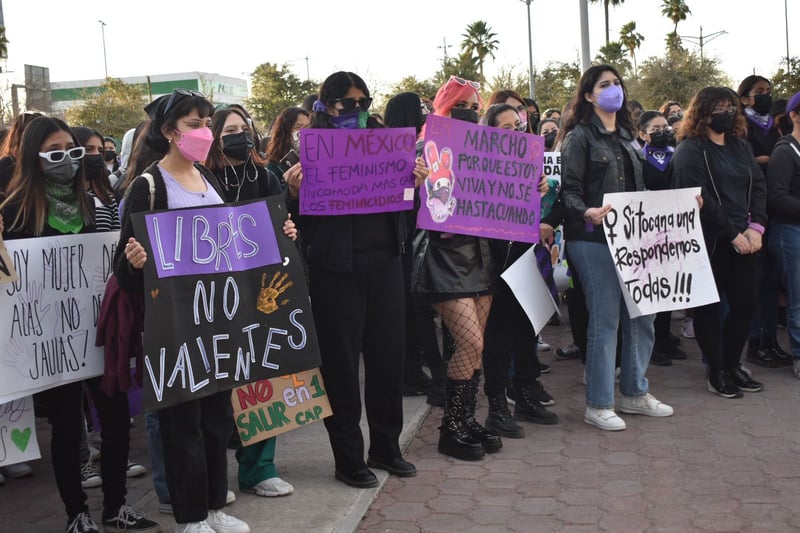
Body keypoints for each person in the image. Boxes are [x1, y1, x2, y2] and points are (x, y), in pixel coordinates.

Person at [1, 116, 159, 533]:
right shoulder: (13, 213)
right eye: (56, 153)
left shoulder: (95, 206)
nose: (68, 161)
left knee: (116, 421)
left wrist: (134, 260)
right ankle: (77, 513)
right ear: (33, 159)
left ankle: (115, 507)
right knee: (68, 428)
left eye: (74, 152)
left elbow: (114, 264)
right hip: (52, 343)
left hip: (100, 334)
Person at [114, 89, 252, 533]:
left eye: (208, 122)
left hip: (216, 321)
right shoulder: (149, 186)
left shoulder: (207, 180)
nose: (205, 132)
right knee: (181, 424)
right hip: (174, 329)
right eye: (196, 124)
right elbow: (124, 264)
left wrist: (280, 233)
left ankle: (214, 507)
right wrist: (135, 261)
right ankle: (190, 517)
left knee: (216, 419)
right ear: (171, 131)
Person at [283, 71, 425, 488]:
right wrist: (294, 194)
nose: (358, 110)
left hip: (385, 264)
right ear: (327, 106)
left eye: (364, 102)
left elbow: (402, 208)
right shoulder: (309, 152)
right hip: (334, 273)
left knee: (387, 360)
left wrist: (412, 185)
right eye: (349, 103)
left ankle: (386, 446)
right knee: (341, 369)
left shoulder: (383, 141)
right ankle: (348, 458)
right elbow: (294, 227)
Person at [560, 64, 674, 431]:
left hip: (634, 238)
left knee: (643, 315)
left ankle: (635, 392)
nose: (614, 89)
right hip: (592, 240)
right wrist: (587, 211)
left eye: (617, 83)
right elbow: (570, 192)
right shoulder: (579, 137)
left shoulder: (628, 136)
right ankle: (598, 403)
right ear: (590, 95)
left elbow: (641, 191)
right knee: (605, 320)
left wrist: (680, 207)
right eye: (604, 85)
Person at [205, 104, 294, 499]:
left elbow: (282, 226)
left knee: (262, 377)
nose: (240, 135)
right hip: (214, 296)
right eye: (230, 130)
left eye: (245, 127)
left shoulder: (265, 175)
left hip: (262, 291)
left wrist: (289, 227)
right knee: (220, 384)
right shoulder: (201, 180)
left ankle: (259, 469)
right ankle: (211, 478)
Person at [412, 75, 502, 460]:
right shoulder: (422, 147)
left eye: (475, 106)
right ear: (445, 107)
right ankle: (450, 429)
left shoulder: (488, 149)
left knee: (475, 348)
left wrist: (534, 188)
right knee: (471, 342)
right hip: (443, 257)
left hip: (480, 256)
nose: (470, 112)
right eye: (461, 105)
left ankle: (464, 420)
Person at [671, 86, 768, 398]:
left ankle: (731, 364)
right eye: (719, 108)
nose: (726, 113)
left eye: (731, 107)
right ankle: (716, 370)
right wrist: (733, 235)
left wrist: (756, 227)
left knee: (746, 304)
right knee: (710, 308)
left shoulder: (740, 146)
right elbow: (701, 198)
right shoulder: (690, 150)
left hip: (747, 239)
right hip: (710, 241)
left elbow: (759, 186)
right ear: (702, 111)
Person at [478, 103, 559, 440]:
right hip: (492, 262)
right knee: (497, 337)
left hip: (524, 254)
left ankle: (526, 391)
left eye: (519, 126)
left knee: (526, 328)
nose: (515, 133)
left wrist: (541, 191)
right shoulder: (476, 168)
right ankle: (497, 406)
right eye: (506, 128)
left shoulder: (529, 165)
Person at [383, 91, 449, 404]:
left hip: (419, 239)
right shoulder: (393, 151)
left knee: (416, 311)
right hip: (404, 241)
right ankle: (412, 372)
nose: (426, 112)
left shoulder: (419, 147)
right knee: (412, 311)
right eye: (420, 108)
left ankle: (415, 369)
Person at [737, 75, 791, 368]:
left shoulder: (776, 125)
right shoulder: (740, 127)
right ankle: (755, 342)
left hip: (774, 210)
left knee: (772, 279)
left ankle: (771, 339)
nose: (765, 96)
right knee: (756, 281)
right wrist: (768, 160)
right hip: (752, 211)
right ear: (744, 97)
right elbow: (741, 162)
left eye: (768, 91)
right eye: (759, 92)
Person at [636, 111, 687, 366]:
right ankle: (653, 344)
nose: (663, 131)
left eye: (665, 127)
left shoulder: (676, 154)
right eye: (656, 128)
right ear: (642, 134)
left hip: (674, 226)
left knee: (668, 284)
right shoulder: (638, 158)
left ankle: (665, 336)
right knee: (652, 285)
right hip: (647, 227)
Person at [768, 91, 800, 379]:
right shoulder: (785, 152)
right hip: (790, 232)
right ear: (794, 115)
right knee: (798, 296)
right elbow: (777, 197)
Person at [264, 106, 310, 187]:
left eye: (307, 128)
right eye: (297, 127)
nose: (303, 132)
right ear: (284, 132)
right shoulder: (273, 166)